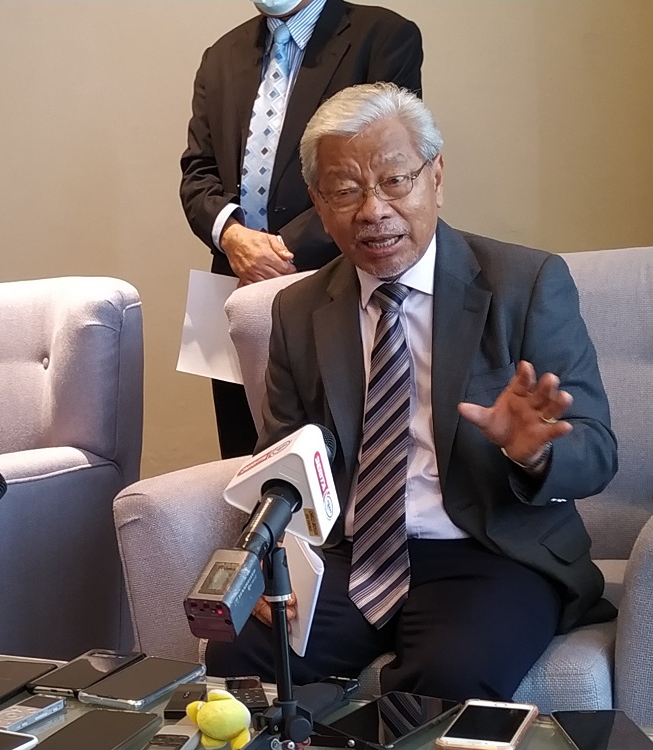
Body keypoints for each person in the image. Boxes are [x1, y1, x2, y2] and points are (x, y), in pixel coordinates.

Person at [205, 83, 618, 701]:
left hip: (489, 551)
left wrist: (534, 452)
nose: (373, 209)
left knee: (443, 678)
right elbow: (283, 461)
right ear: (319, 203)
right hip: (354, 556)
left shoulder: (525, 283)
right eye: (345, 191)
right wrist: (272, 558)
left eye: (395, 180)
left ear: (436, 176)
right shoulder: (298, 310)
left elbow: (599, 452)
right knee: (239, 651)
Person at [179, 0, 423, 459]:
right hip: (231, 279)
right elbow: (198, 173)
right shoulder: (220, 56)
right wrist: (233, 238)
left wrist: (276, 252)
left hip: (334, 280)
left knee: (331, 451)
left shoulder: (384, 37)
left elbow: (384, 163)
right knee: (243, 451)